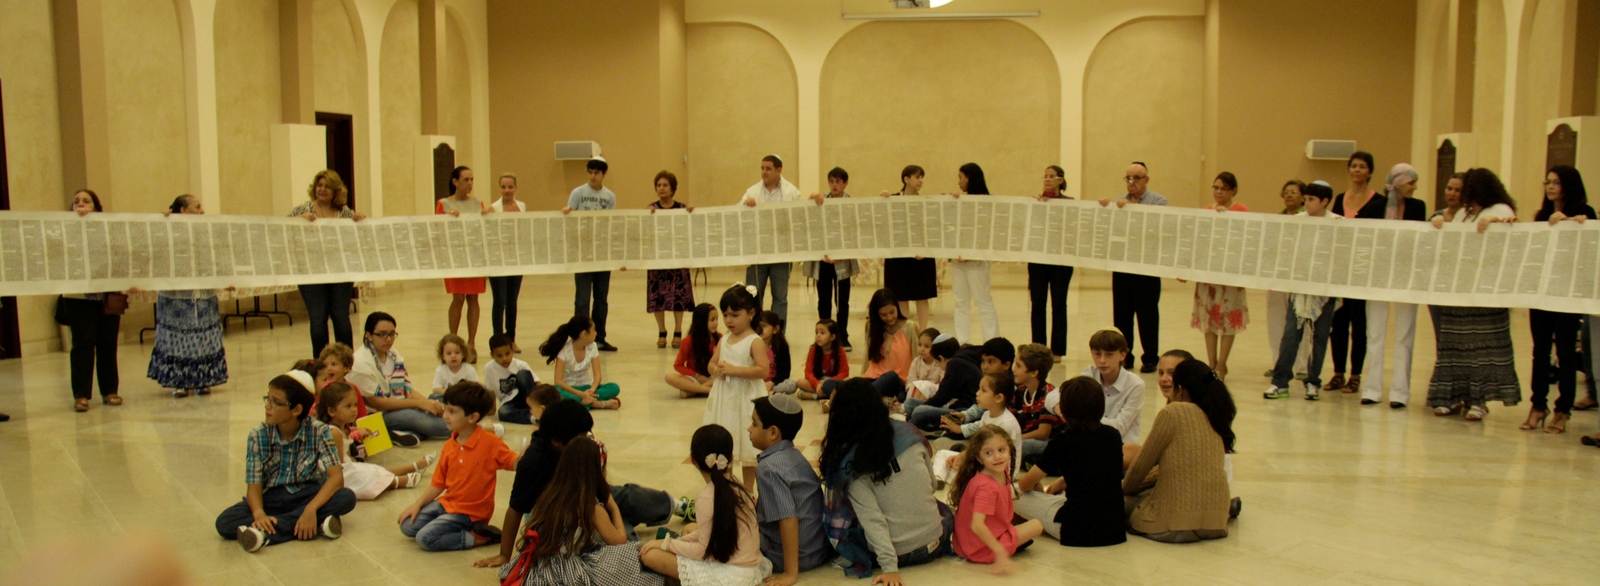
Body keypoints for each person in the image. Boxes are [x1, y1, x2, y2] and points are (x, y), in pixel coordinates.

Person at [475, 400, 676, 569]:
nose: (586, 440)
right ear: (556, 441)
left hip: (591, 496)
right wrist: (504, 554)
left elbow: (600, 484)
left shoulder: (571, 445)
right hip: (576, 511)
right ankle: (654, 536)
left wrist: (606, 498)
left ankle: (676, 505)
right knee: (629, 550)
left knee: (630, 495)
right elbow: (516, 508)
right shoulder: (534, 463)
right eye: (580, 436)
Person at [819, 378, 953, 582]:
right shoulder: (910, 433)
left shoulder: (850, 464)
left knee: (846, 524)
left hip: (899, 555)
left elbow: (873, 520)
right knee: (940, 508)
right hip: (935, 541)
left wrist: (890, 568)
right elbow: (932, 486)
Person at [214, 371, 355, 552]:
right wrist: (259, 514)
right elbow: (254, 485)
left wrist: (310, 509)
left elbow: (336, 478)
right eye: (268, 399)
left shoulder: (319, 431)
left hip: (307, 494)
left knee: (346, 497)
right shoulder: (258, 435)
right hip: (272, 498)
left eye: (276, 402)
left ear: (296, 410)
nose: (268, 406)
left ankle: (264, 534)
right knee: (225, 522)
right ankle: (315, 523)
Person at [494, 436, 663, 586]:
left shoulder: (548, 495)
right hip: (569, 569)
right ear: (596, 471)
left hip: (538, 567)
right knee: (632, 553)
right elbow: (619, 542)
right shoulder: (591, 508)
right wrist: (613, 507)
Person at [1426, 168, 1522, 421]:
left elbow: (1510, 230)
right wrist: (1440, 226)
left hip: (1485, 292)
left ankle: (1479, 401)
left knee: (1481, 350)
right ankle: (1453, 396)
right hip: (1459, 288)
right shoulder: (1463, 214)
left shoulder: (1500, 209)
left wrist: (1495, 223)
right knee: (1455, 346)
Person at [639, 425, 771, 585]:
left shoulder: (706, 498)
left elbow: (704, 551)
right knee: (689, 529)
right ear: (730, 457)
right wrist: (678, 543)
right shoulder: (740, 487)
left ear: (693, 460)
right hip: (751, 567)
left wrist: (667, 544)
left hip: (730, 574)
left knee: (650, 555)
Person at [1123, 359, 1236, 543]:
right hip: (1216, 522)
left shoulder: (1173, 412)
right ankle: (1229, 505)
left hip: (1175, 524)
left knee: (1124, 502)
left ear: (1181, 389)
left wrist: (1123, 488)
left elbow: (1141, 467)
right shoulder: (1215, 413)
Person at [397, 381, 518, 551]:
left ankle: (480, 538)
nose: (444, 416)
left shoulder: (491, 443)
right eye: (445, 409)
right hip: (448, 504)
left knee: (425, 538)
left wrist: (527, 454)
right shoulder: (450, 445)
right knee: (407, 526)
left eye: (452, 411)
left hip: (471, 513)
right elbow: (438, 484)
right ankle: (450, 527)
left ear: (472, 417)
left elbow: (514, 463)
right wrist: (417, 505)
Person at [1014, 376, 1127, 547]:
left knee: (1012, 492)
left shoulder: (1062, 442)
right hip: (1115, 528)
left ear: (1065, 411)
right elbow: (1098, 470)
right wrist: (1062, 481)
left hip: (1075, 530)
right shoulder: (1113, 435)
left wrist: (1038, 487)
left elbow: (1025, 485)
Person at [1523, 165, 1594, 433]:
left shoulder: (1585, 213)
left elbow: (1588, 250)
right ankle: (1538, 405)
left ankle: (1563, 409)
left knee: (1565, 352)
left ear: (1569, 185)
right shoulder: (1542, 215)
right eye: (1548, 182)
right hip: (1542, 291)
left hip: (1567, 292)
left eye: (1556, 182)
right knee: (1540, 351)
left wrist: (1575, 224)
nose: (1550, 187)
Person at [1358, 163, 1429, 408]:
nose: (1414, 187)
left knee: (1404, 334)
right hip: (1378, 276)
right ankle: (1372, 389)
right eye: (1411, 182)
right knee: (1375, 333)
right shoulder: (1374, 207)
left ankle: (1400, 392)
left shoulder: (1418, 207)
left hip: (1406, 276)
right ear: (1399, 182)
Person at [1264, 181, 1340, 400]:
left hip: (1324, 292)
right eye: (1305, 199)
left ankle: (1313, 381)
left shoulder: (1338, 223)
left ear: (1325, 201)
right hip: (1299, 290)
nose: (1306, 203)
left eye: (1311, 200)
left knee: (1319, 338)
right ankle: (1280, 381)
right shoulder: (1297, 221)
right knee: (1290, 336)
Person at [147, 194, 228, 398]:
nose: (202, 211)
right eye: (197, 207)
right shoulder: (167, 229)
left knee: (204, 335)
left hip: (203, 294)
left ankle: (203, 379)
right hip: (176, 296)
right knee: (178, 338)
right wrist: (162, 222)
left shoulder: (206, 231)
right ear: (182, 210)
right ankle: (180, 381)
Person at [747, 395, 833, 584]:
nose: (749, 429)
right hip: (817, 551)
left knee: (727, 530)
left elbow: (788, 519)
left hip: (792, 557)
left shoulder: (768, 468)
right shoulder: (794, 456)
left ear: (773, 432)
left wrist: (790, 573)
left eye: (754, 424)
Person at [1098, 162, 1168, 373]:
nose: (1132, 182)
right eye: (1128, 178)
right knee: (1122, 315)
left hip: (1147, 268)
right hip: (1122, 266)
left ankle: (1151, 357)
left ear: (1146, 179)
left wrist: (1130, 207)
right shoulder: (1118, 202)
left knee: (1148, 315)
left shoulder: (1159, 201)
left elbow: (1157, 226)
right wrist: (1104, 208)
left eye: (1136, 178)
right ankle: (1125, 356)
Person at [313, 382, 433, 499]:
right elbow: (338, 468)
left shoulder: (343, 428)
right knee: (367, 474)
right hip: (338, 473)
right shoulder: (334, 433)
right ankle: (396, 482)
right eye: (348, 406)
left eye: (355, 405)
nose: (354, 410)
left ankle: (413, 467)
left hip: (346, 467)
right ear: (331, 411)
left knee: (373, 469)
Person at [949, 425, 1044, 573]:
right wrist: (999, 551)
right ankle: (1006, 545)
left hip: (968, 543)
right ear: (979, 458)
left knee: (1021, 520)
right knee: (1037, 525)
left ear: (1009, 449)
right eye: (989, 453)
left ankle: (1009, 539)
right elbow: (977, 525)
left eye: (1001, 450)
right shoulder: (987, 487)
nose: (997, 457)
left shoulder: (1000, 469)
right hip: (978, 549)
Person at [1328, 151, 1386, 393]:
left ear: (1369, 171)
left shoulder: (1379, 201)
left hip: (1363, 269)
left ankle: (1355, 375)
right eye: (1353, 166)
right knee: (1338, 323)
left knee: (1359, 323)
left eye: (1362, 166)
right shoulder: (1341, 198)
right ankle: (1337, 373)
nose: (1357, 170)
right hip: (1341, 268)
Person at [290, 170, 364, 358]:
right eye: (319, 185)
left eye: (327, 187)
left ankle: (346, 360)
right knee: (318, 318)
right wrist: (299, 220)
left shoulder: (344, 212)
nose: (322, 189)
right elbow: (283, 227)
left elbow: (356, 235)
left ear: (336, 191)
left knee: (341, 317)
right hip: (312, 271)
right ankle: (321, 362)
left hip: (340, 271)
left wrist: (359, 220)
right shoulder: (304, 208)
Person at [704, 284, 770, 490]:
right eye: (725, 315)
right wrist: (716, 370)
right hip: (725, 398)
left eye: (735, 315)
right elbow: (711, 363)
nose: (728, 320)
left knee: (748, 444)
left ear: (751, 313)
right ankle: (728, 488)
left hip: (746, 399)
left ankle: (748, 490)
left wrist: (734, 370)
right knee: (726, 441)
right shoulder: (724, 339)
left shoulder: (754, 341)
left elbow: (763, 370)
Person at [62, 189, 122, 413]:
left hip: (108, 294)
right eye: (76, 201)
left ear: (96, 207)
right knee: (83, 344)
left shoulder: (108, 229)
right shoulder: (64, 229)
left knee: (108, 343)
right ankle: (81, 394)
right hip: (78, 296)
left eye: (86, 201)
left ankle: (110, 390)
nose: (80, 204)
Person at [347, 312, 448, 445]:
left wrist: (430, 404)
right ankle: (464, 427)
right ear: (369, 335)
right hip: (377, 414)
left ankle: (398, 433)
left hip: (398, 406)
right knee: (416, 417)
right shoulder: (360, 362)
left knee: (437, 398)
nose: (389, 339)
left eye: (392, 334)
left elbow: (407, 390)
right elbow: (379, 404)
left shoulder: (392, 354)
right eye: (382, 334)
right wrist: (420, 404)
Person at [1189, 172, 1250, 380]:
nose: (1218, 192)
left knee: (1228, 319)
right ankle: (1211, 363)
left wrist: (1226, 218)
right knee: (1210, 319)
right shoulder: (1207, 211)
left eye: (1223, 188)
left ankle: (1222, 364)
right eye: (1215, 187)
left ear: (1233, 190)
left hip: (1230, 276)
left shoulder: (1241, 211)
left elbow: (1244, 239)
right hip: (1208, 275)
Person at [739, 155, 803, 327]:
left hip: (782, 254)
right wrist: (745, 205)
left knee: (780, 297)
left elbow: (800, 218)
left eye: (768, 168)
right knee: (753, 295)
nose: (764, 172)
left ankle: (777, 334)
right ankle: (753, 331)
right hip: (757, 254)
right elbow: (738, 214)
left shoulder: (792, 192)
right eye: (762, 168)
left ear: (779, 170)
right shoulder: (752, 192)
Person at [564, 157, 620, 352]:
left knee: (601, 298)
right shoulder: (578, 193)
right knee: (582, 298)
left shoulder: (609, 196)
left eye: (597, 173)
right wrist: (567, 212)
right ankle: (579, 337)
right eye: (590, 172)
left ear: (604, 174)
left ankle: (599, 337)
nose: (593, 176)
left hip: (601, 253)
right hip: (583, 253)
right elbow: (570, 216)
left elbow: (610, 223)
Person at [437, 165, 491, 363]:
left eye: (471, 179)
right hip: (455, 256)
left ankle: (471, 343)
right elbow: (437, 229)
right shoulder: (444, 204)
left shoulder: (477, 203)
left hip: (474, 255)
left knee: (473, 298)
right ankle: (453, 340)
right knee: (458, 297)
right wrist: (449, 219)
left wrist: (488, 215)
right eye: (466, 179)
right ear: (455, 182)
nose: (469, 183)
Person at [802, 167, 860, 351]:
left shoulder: (852, 203)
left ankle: (842, 336)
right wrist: (811, 199)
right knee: (824, 300)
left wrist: (841, 254)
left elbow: (854, 231)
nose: (834, 185)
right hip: (824, 260)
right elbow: (810, 221)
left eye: (838, 181)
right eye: (831, 181)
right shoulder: (821, 201)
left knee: (842, 301)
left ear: (845, 183)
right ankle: (823, 335)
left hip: (842, 261)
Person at [948, 163, 1000, 343]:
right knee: (960, 302)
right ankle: (963, 341)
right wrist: (953, 203)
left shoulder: (987, 202)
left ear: (969, 178)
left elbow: (986, 231)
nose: (958, 182)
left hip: (977, 261)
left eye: (961, 177)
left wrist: (971, 253)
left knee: (983, 301)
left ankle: (991, 342)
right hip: (958, 260)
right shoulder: (960, 201)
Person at [934, 372, 1021, 479]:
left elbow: (998, 458)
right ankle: (938, 479)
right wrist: (962, 456)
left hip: (1000, 472)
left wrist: (967, 462)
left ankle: (948, 477)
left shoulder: (1006, 423)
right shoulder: (986, 415)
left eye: (983, 390)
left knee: (958, 470)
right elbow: (979, 445)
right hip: (985, 460)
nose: (977, 393)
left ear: (998, 398)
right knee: (943, 455)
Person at [1264, 180, 1312, 378]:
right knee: (1276, 321)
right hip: (1278, 277)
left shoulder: (1309, 220)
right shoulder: (1277, 220)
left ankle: (1302, 366)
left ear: (1303, 197)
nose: (1289, 195)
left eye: (1294, 191)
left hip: (1300, 278)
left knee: (1301, 322)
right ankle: (1278, 362)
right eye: (1286, 192)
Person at [880, 165, 936, 327]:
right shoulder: (893, 199)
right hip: (898, 255)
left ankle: (923, 332)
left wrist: (923, 249)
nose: (921, 181)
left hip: (921, 255)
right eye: (917, 177)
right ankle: (905, 332)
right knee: (900, 296)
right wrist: (883, 198)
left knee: (922, 297)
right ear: (906, 179)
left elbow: (931, 228)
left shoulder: (925, 201)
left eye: (922, 177)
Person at [648, 170, 697, 349]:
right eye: (659, 185)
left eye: (665, 185)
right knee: (657, 295)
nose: (661, 188)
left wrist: (691, 213)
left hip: (677, 259)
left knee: (678, 295)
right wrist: (646, 215)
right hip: (657, 259)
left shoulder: (682, 208)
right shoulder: (651, 208)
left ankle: (678, 330)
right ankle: (662, 331)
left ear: (672, 188)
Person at [1031, 165, 1075, 361]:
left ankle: (1057, 349)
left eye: (1052, 176)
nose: (1047, 179)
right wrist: (1036, 204)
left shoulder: (1069, 203)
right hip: (1038, 260)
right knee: (1037, 304)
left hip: (1061, 261)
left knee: (1059, 304)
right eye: (1045, 176)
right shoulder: (1036, 202)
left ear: (1060, 180)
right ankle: (1038, 347)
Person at [538, 315, 621, 409]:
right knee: (557, 392)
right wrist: (580, 394)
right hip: (570, 389)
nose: (596, 333)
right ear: (584, 334)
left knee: (614, 387)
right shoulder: (564, 350)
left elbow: (598, 375)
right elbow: (558, 381)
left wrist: (592, 390)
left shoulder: (593, 346)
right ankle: (598, 404)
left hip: (588, 387)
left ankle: (582, 403)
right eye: (593, 330)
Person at [1082, 330, 1144, 445]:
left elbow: (1119, 427)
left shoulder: (1135, 385)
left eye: (1109, 355)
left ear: (1122, 355)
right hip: (1091, 442)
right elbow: (1055, 396)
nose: (1102, 360)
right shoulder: (1089, 374)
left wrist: (1082, 418)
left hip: (1121, 446)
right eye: (1097, 354)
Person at [857, 289, 916, 407]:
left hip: (898, 382)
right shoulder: (871, 327)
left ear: (897, 307)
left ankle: (857, 400)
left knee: (891, 376)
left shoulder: (910, 327)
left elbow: (918, 359)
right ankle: (876, 398)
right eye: (883, 314)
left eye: (892, 312)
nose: (889, 317)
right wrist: (861, 379)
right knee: (832, 385)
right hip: (874, 379)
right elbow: (867, 358)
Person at [489, 173, 526, 353]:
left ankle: (511, 339)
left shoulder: (522, 206)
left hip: (516, 259)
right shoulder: (493, 208)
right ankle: (498, 340)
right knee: (500, 301)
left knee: (512, 301)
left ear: (516, 188)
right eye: (503, 187)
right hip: (498, 260)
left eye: (510, 187)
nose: (507, 190)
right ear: (500, 188)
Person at [1011, 343, 1062, 461]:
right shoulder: (1020, 391)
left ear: (1034, 373)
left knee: (1021, 446)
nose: (1014, 369)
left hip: (1049, 442)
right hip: (1027, 438)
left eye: (1018, 366)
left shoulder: (1049, 394)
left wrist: (1017, 438)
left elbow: (1043, 433)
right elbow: (1011, 418)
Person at [483, 333, 540, 424]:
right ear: (492, 355)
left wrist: (541, 403)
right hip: (509, 402)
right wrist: (492, 408)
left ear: (512, 351)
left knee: (523, 374)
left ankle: (537, 409)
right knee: (503, 412)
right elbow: (490, 391)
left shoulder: (521, 365)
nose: (504, 358)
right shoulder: (488, 368)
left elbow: (537, 383)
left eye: (507, 354)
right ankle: (532, 418)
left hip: (527, 396)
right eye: (499, 356)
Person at [667, 303, 722, 398]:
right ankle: (708, 390)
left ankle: (694, 390)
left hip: (714, 378)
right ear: (701, 321)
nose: (716, 323)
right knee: (669, 377)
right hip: (695, 378)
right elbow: (678, 365)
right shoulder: (688, 341)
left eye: (717, 319)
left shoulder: (721, 338)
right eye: (712, 320)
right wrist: (697, 376)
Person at [796, 318, 849, 401]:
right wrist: (817, 384)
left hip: (833, 382)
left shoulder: (840, 350)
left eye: (822, 333)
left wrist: (828, 383)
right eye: (816, 332)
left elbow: (844, 373)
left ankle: (816, 395)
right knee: (800, 382)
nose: (818, 336)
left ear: (832, 337)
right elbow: (808, 373)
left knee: (848, 380)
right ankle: (828, 395)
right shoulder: (813, 350)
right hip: (818, 382)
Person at [904, 327, 946, 402]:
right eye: (920, 345)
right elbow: (911, 380)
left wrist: (926, 388)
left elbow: (943, 385)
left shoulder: (940, 364)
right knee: (902, 395)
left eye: (927, 346)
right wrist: (917, 388)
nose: (922, 349)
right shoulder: (916, 361)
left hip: (933, 395)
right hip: (916, 393)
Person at [759, 310, 795, 394]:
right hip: (756, 382)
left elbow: (785, 372)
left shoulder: (781, 346)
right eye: (758, 326)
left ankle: (768, 392)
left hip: (774, 383)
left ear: (775, 329)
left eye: (764, 326)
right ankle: (771, 394)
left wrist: (772, 382)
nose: (760, 329)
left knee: (792, 384)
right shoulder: (753, 344)